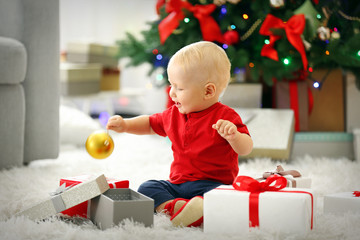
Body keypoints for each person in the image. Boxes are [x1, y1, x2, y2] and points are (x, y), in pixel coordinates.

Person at [106, 41, 253, 227]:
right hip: (176, 185)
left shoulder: (226, 117)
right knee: (147, 187)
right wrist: (126, 124)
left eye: (179, 88)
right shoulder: (174, 114)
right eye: (171, 85)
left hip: (211, 185)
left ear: (208, 91)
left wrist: (234, 137)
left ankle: (196, 209)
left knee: (226, 198)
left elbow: (246, 147)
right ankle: (177, 207)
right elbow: (150, 124)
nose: (172, 93)